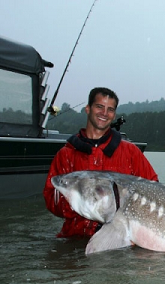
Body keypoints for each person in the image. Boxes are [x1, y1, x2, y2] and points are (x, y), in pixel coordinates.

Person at [44, 87, 158, 238]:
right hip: (75, 236)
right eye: (99, 106)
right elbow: (51, 197)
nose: (104, 113)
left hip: (119, 237)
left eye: (110, 109)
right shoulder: (66, 154)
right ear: (87, 109)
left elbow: (154, 191)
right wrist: (78, 203)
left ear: (114, 114)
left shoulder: (131, 152)